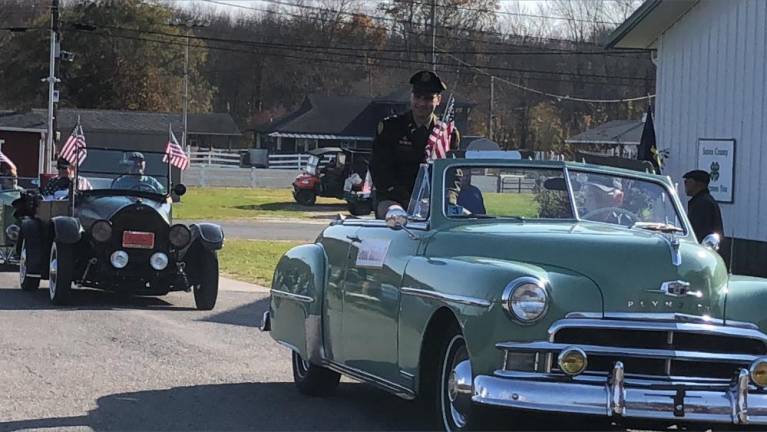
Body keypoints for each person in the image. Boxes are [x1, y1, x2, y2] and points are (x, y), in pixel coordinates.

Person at [370, 70, 460, 219]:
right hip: (393, 198)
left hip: (434, 203)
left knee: (465, 219)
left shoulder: (447, 134)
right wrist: (409, 201)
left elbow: (454, 174)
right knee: (397, 217)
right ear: (411, 97)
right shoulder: (390, 128)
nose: (422, 103)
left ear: (438, 100)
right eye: (417, 97)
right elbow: (380, 171)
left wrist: (449, 199)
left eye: (428, 98)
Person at [683, 169, 723, 240]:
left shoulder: (703, 203)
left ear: (699, 184)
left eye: (687, 181)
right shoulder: (702, 200)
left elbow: (697, 231)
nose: (685, 185)